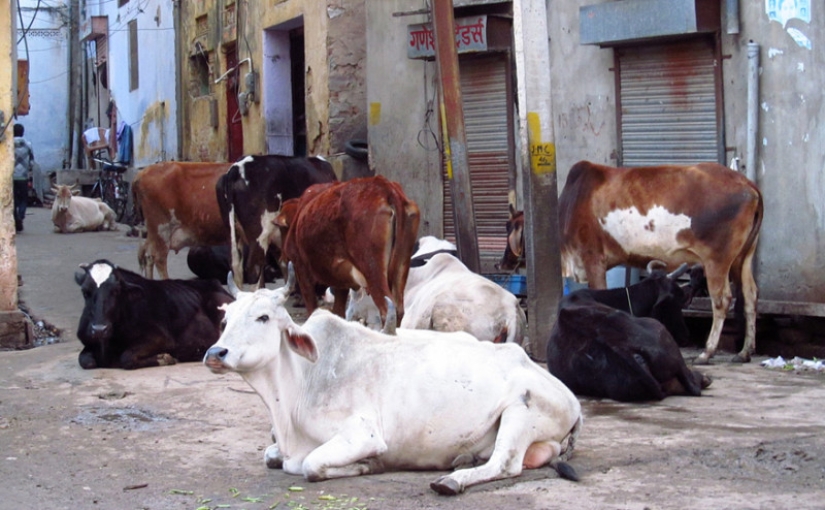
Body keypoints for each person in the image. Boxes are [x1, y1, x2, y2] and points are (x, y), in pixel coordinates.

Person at [13, 123, 34, 232]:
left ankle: (15, 217)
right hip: (23, 177)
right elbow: (31, 162)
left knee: (13, 199)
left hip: (11, 177)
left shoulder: (8, 144)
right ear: (23, 132)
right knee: (23, 199)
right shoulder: (28, 145)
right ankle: (21, 215)